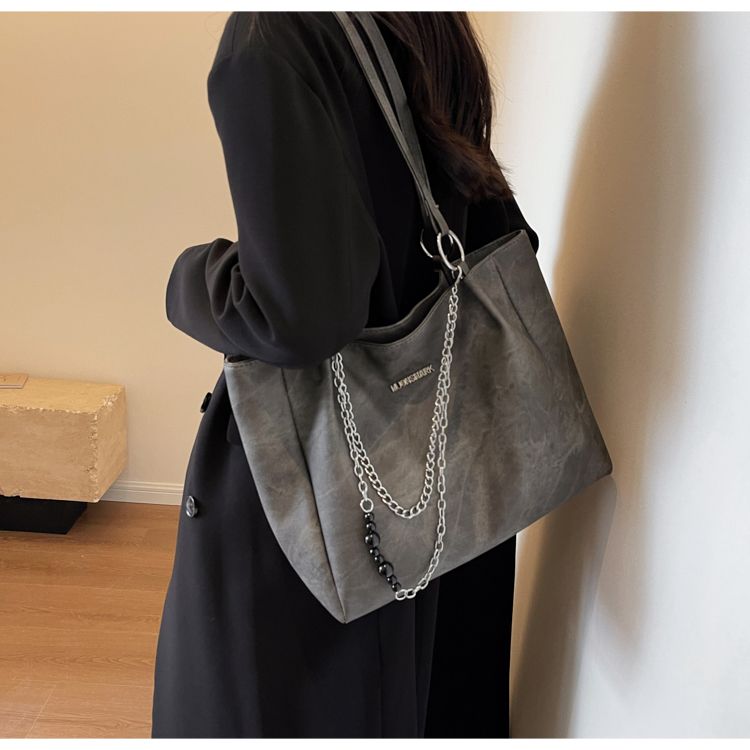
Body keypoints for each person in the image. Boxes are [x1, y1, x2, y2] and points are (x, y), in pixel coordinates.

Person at [152, 11, 539, 738]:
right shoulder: (417, 24)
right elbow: (500, 230)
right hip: (446, 471)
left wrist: (190, 279)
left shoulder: (269, 40)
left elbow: (300, 316)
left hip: (316, 499)